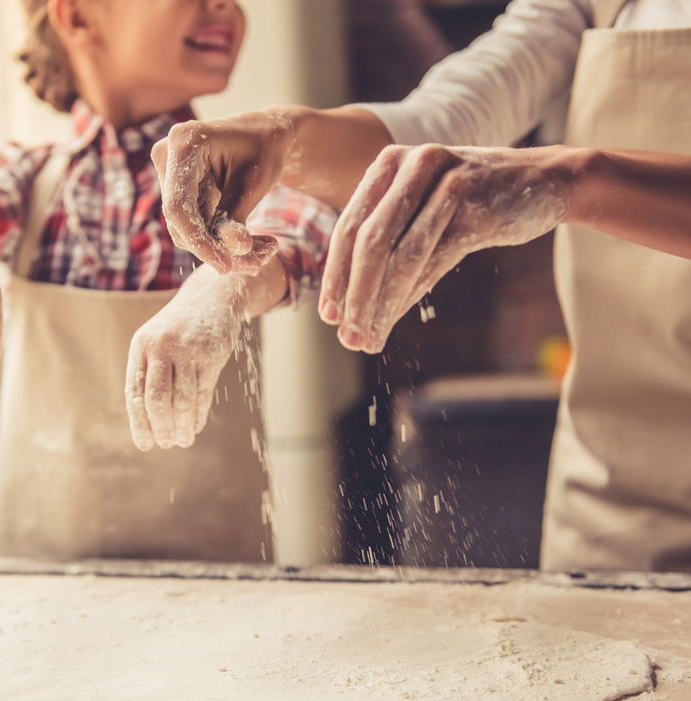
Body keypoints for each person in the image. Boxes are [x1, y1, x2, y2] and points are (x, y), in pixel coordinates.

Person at [151, 0, 691, 572]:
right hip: (615, 493)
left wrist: (576, 179)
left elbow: (554, 172)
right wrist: (281, 134)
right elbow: (441, 121)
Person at [0, 0, 336, 561]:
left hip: (214, 575)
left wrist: (219, 291)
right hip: (41, 577)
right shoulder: (30, 178)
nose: (225, 7)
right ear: (78, 17)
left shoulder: (242, 180)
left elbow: (303, 226)